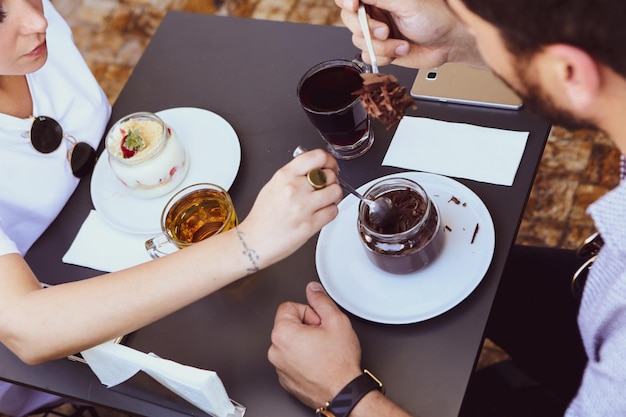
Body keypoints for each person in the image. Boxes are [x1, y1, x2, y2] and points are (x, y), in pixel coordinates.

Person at [268, 0, 626, 416]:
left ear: (569, 71)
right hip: (590, 289)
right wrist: (457, 38)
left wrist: (345, 394)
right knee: (504, 283)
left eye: (484, 29)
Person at [0, 0, 342, 415]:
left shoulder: (30, 30)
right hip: (59, 316)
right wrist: (249, 243)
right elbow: (30, 329)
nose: (38, 19)